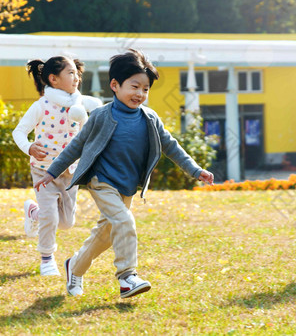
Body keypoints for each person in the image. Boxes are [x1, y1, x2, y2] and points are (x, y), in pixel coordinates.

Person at [35, 49, 214, 298]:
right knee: (124, 222)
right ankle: (127, 277)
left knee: (105, 235)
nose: (140, 94)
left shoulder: (150, 118)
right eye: (134, 86)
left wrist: (195, 170)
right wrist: (52, 172)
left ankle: (74, 267)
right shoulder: (100, 116)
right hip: (102, 182)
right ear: (115, 85)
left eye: (145, 89)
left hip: (127, 187)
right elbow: (75, 146)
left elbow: (171, 147)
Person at [12, 56, 90, 276]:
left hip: (70, 172)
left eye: (77, 73)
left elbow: (86, 135)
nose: (77, 78)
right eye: (71, 73)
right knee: (51, 217)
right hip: (43, 170)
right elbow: (18, 132)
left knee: (66, 222)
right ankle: (47, 260)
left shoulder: (79, 106)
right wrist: (29, 147)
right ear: (54, 79)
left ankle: (33, 213)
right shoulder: (40, 106)